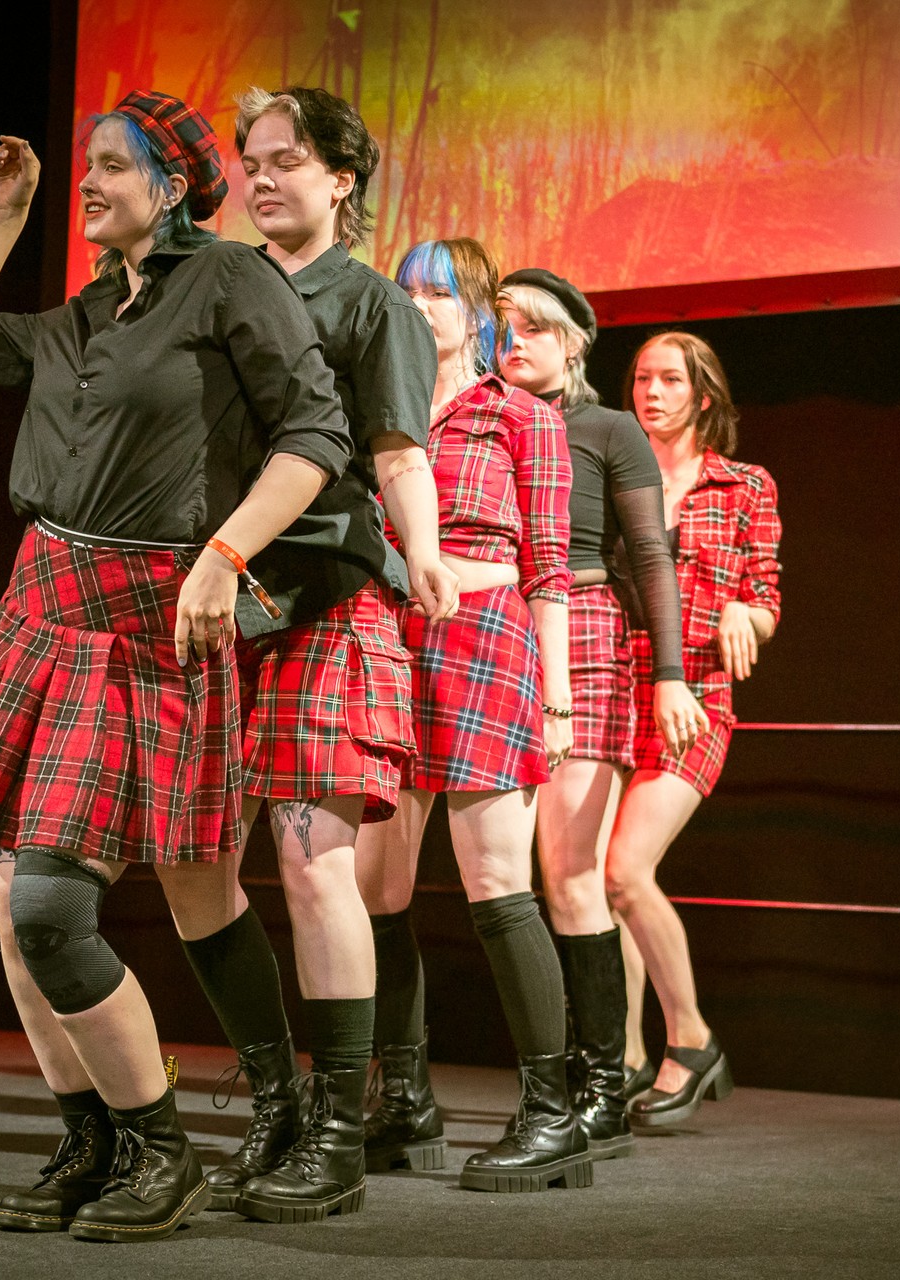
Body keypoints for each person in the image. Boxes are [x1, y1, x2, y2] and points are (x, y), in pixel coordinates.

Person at [0, 91, 353, 1241]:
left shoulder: (231, 281)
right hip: (41, 610)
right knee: (14, 900)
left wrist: (226, 553)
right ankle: (97, 1136)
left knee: (69, 904)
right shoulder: (83, 313)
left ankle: (175, 1144)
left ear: (172, 180)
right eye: (88, 164)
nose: (90, 180)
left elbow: (316, 437)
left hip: (147, 623)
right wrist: (8, 215)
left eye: (112, 163)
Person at [148, 84, 454, 1226]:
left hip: (326, 596)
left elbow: (397, 451)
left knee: (313, 857)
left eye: (288, 159)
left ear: (341, 179)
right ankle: (277, 1100)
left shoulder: (372, 305)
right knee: (192, 864)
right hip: (212, 607)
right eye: (253, 161)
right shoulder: (215, 282)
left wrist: (423, 550)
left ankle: (337, 1128)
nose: (264, 177)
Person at [354, 237, 593, 1193]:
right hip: (386, 641)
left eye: (439, 292)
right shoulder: (381, 409)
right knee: (376, 887)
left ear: (478, 310)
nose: (420, 306)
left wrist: (558, 700)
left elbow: (550, 569)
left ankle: (554, 1114)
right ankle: (405, 1104)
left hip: (487, 642)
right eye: (407, 291)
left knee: (497, 881)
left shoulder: (520, 416)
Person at [494, 269, 706, 1160]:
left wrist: (668, 675)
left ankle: (600, 1088)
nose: (514, 342)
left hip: (581, 626)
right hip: (493, 627)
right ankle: (551, 1088)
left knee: (572, 872)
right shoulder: (478, 422)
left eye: (534, 328)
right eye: (502, 326)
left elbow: (651, 556)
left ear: (574, 341)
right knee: (502, 877)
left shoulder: (609, 429)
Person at [606, 331, 781, 1128]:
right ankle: (624, 1058)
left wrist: (746, 610)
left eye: (669, 380)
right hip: (613, 685)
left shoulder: (744, 485)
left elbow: (766, 595)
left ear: (703, 395)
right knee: (596, 889)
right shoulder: (614, 473)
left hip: (695, 698)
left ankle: (691, 1038)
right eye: (642, 378)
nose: (651, 392)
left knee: (624, 871)